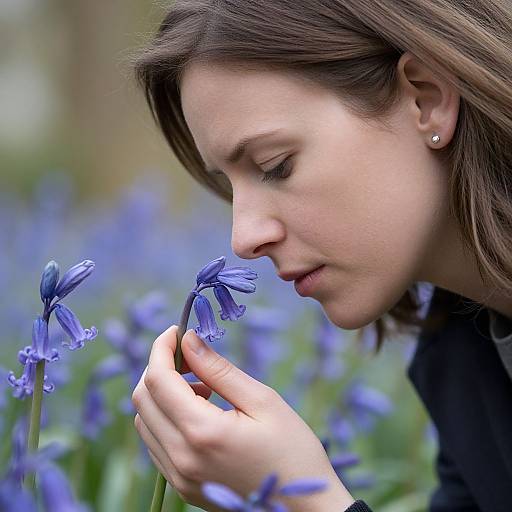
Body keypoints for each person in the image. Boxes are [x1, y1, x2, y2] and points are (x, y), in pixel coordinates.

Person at [130, 1, 512, 510]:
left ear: (426, 99)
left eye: (275, 165)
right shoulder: (463, 357)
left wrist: (303, 500)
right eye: (228, 183)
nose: (242, 239)